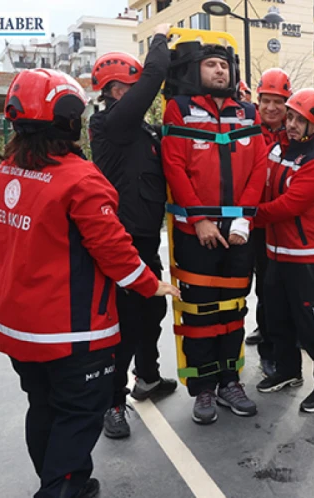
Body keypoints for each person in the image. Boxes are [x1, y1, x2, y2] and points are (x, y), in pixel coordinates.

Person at [0, 68, 179, 498]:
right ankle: (63, 488)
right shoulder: (80, 179)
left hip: (18, 328)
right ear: (69, 118)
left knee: (43, 408)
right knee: (78, 414)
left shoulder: (4, 174)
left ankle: (60, 481)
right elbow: (115, 253)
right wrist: (153, 286)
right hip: (71, 331)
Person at [161, 39, 267, 424]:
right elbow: (174, 166)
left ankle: (229, 382)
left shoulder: (247, 111)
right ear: (195, 71)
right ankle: (203, 389)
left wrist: (245, 220)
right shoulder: (180, 110)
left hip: (239, 231)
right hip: (197, 232)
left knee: (234, 309)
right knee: (200, 313)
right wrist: (198, 220)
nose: (220, 70)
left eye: (223, 65)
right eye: (210, 64)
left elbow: (258, 168)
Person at [88, 23, 178, 440]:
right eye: (130, 84)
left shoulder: (139, 129)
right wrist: (159, 38)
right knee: (123, 324)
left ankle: (148, 378)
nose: (136, 91)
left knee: (152, 310)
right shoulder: (111, 124)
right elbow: (155, 75)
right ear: (115, 90)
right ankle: (113, 403)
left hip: (144, 235)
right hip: (122, 239)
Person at [254, 88, 314, 413]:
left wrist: (248, 216)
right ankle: (288, 370)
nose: (290, 123)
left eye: (299, 119)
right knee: (277, 318)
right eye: (290, 116)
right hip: (276, 252)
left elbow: (288, 205)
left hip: (305, 256)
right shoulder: (278, 149)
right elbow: (259, 185)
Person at [245, 68, 294, 377]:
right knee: (241, 286)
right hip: (245, 221)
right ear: (258, 101)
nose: (272, 108)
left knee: (270, 288)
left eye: (279, 102)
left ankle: (271, 347)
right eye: (267, 101)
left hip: (273, 223)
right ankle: (260, 334)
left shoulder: (293, 135)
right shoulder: (247, 129)